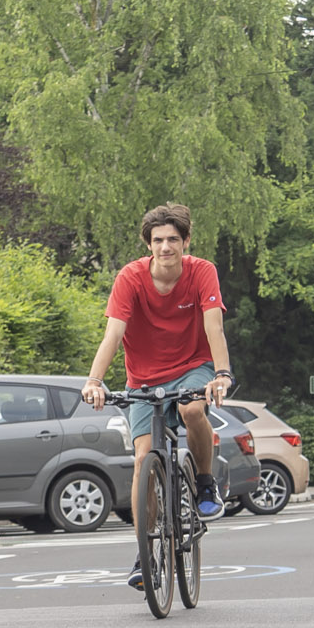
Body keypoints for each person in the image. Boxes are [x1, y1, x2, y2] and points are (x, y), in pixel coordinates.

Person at [82, 202, 235, 589]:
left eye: (172, 240)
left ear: (185, 242)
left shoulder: (202, 272)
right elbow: (113, 335)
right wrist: (94, 381)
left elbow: (213, 328)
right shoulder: (130, 278)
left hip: (193, 365)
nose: (165, 247)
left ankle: (203, 482)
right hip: (144, 378)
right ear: (148, 244)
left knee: (192, 409)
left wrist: (221, 374)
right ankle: (143, 552)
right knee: (141, 459)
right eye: (157, 240)